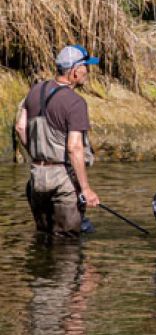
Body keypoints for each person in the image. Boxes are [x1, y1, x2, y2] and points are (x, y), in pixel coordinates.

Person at [14, 45, 101, 238]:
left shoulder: (34, 91)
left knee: (43, 237)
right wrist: (86, 189)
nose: (87, 71)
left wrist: (38, 155)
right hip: (63, 180)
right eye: (85, 67)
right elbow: (74, 147)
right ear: (74, 71)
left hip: (37, 176)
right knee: (66, 243)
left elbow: (20, 127)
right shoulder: (76, 102)